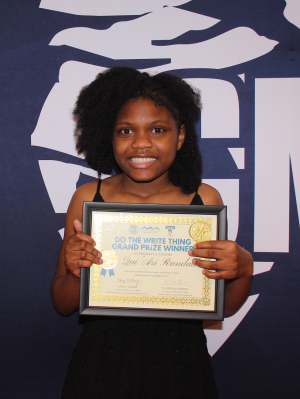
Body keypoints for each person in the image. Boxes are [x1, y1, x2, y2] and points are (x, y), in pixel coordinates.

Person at [51, 66, 253, 398]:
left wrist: (243, 269)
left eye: (157, 129)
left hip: (182, 364)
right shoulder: (89, 198)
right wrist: (75, 273)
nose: (141, 143)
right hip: (101, 364)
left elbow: (222, 307)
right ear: (109, 136)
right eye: (126, 131)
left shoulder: (205, 200)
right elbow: (62, 303)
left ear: (181, 135)